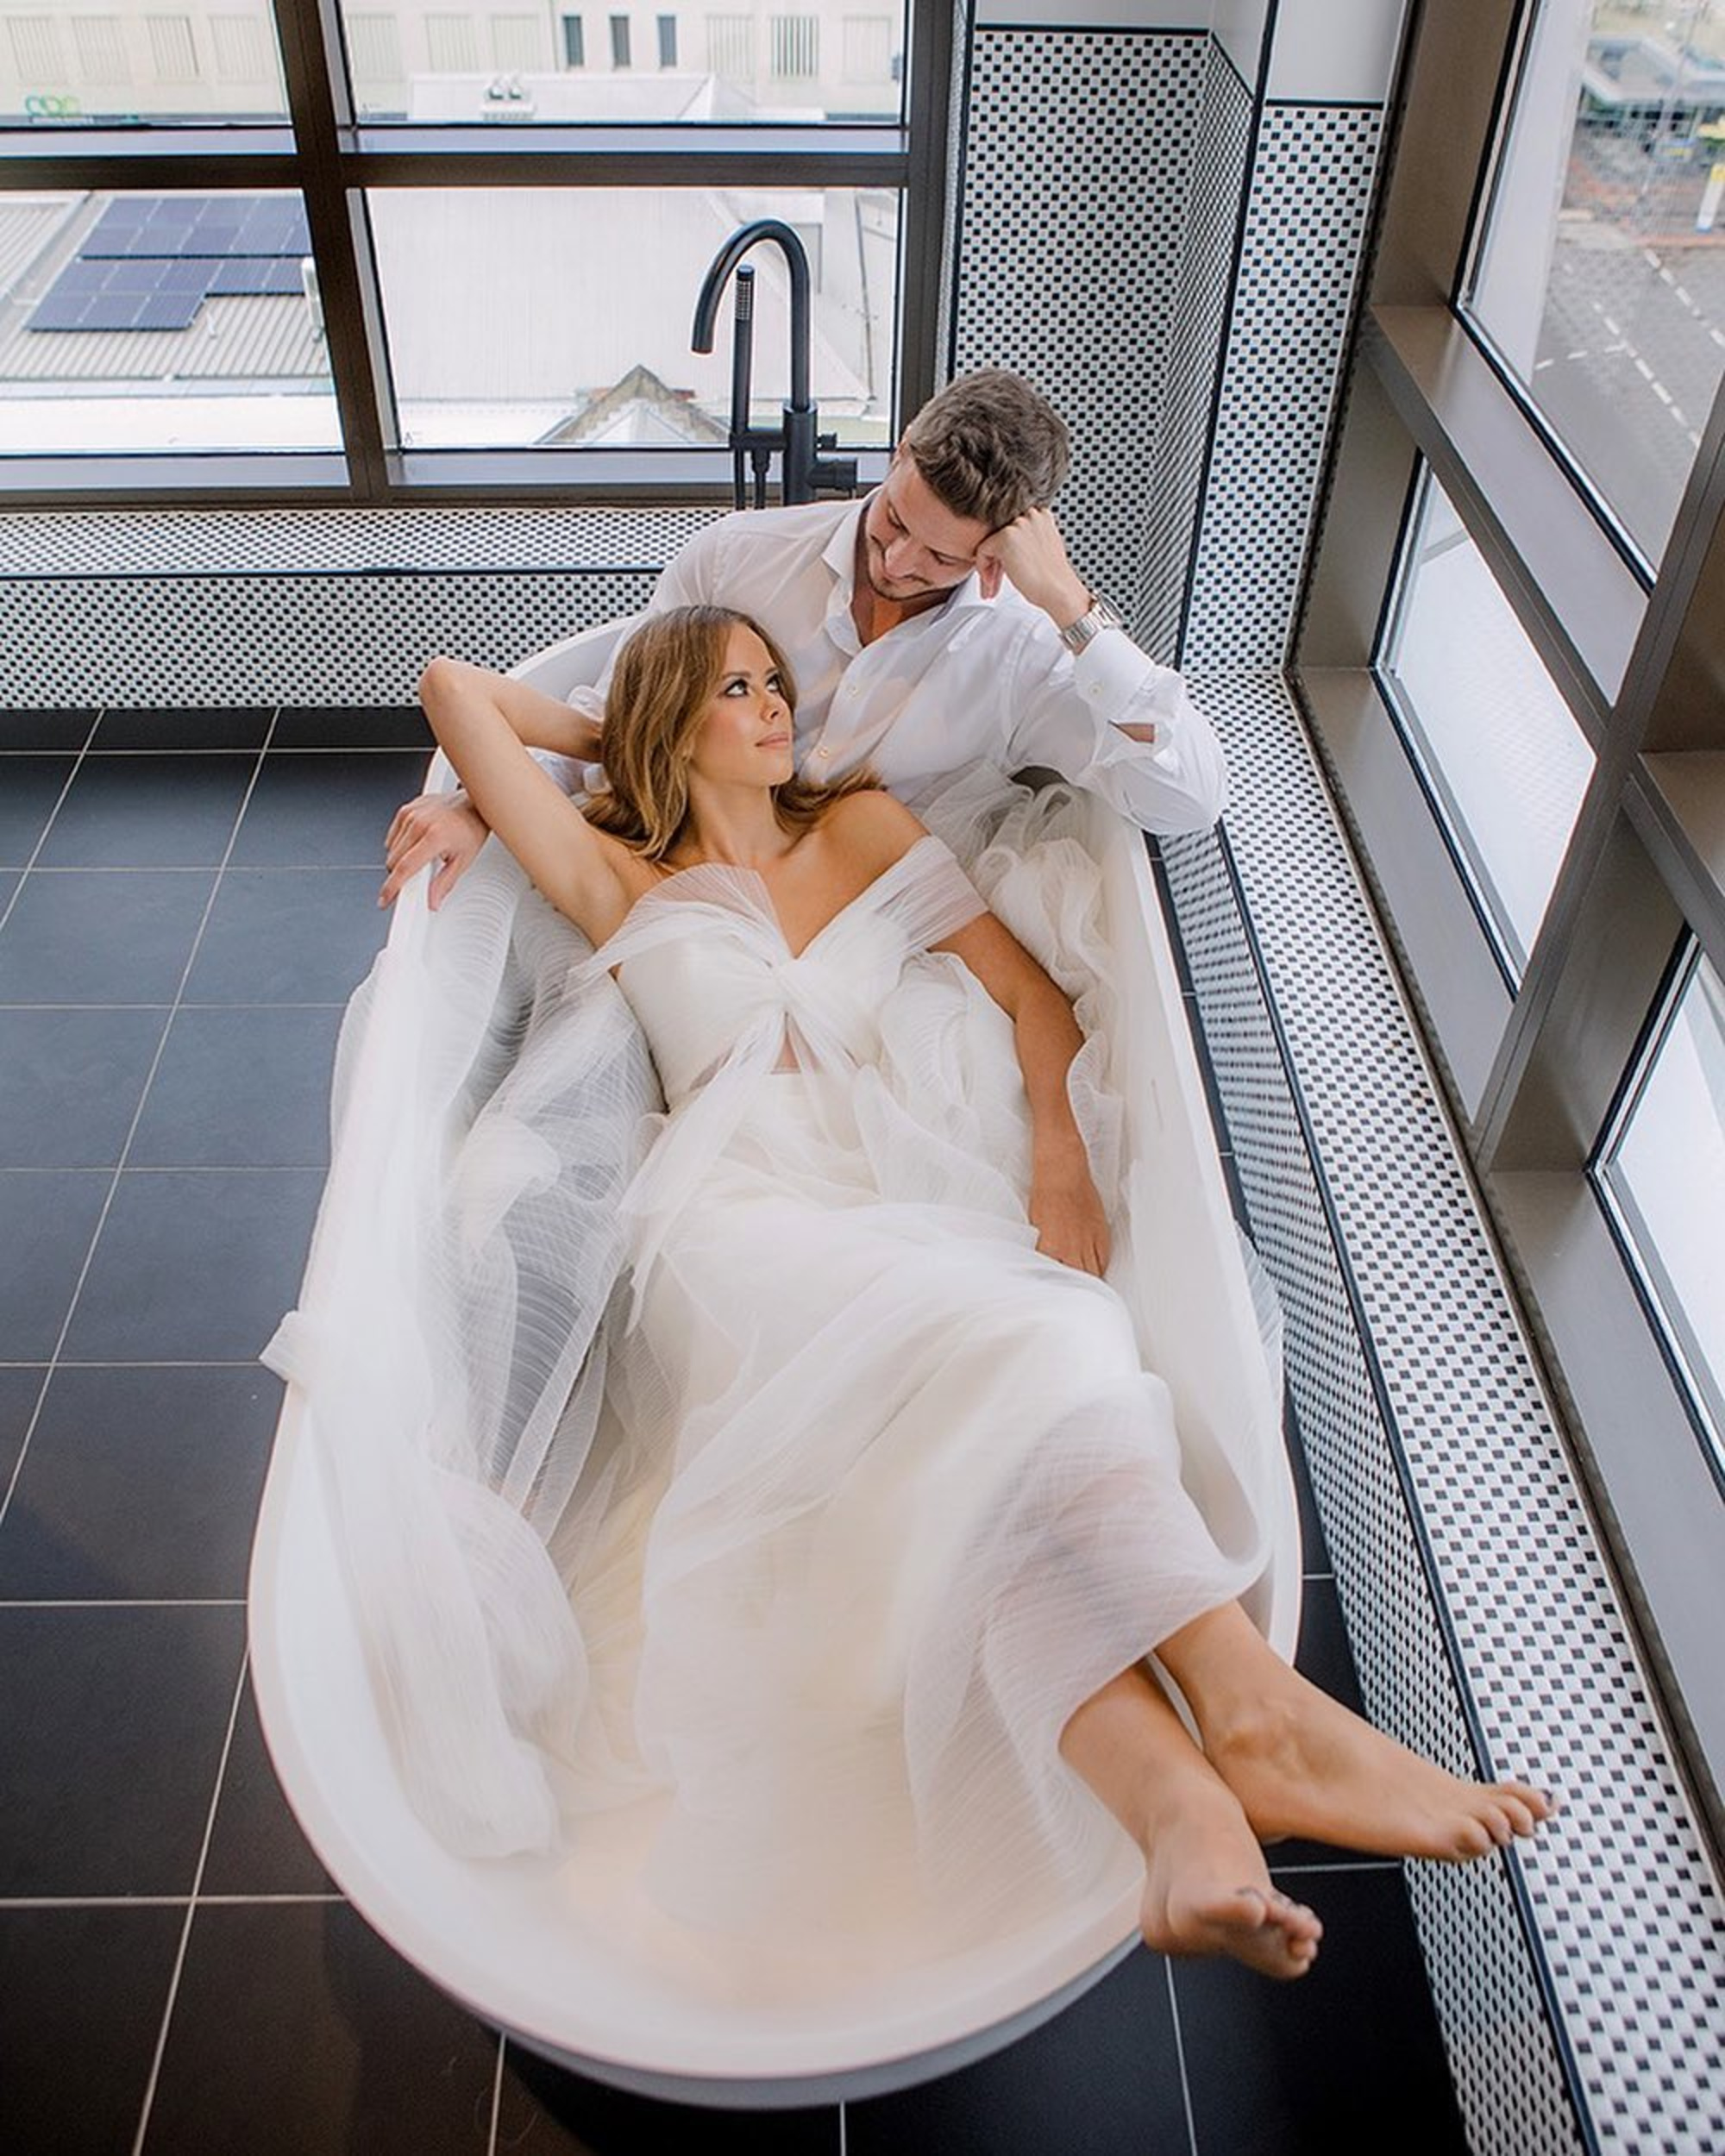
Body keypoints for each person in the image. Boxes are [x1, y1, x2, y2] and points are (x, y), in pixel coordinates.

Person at [415, 603, 1551, 1983]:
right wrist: (620, 730)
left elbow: (1029, 998)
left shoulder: (865, 829)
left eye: (779, 682)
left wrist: (1065, 1167)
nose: (779, 707)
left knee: (1018, 1404)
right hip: (738, 1235)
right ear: (676, 719)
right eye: (739, 690)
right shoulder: (615, 876)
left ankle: (1183, 1804)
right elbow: (456, 686)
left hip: (895, 1198)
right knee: (1026, 1348)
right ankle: (1252, 1714)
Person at [380, 368, 1226, 912]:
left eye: (939, 556)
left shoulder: (1024, 655)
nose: (896, 562)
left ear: (1003, 550)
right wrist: (481, 801)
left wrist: (1071, 609)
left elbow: (1184, 800)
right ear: (898, 454)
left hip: (861, 926)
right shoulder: (735, 557)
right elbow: (616, 723)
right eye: (895, 519)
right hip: (678, 882)